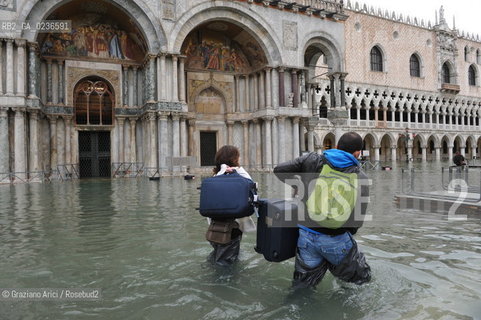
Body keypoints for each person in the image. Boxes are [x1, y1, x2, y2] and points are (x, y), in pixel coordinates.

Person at [273, 132, 371, 288]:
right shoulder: (361, 177)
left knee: (302, 288)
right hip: (336, 239)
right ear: (358, 153)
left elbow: (279, 170)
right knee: (361, 282)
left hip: (306, 236)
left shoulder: (312, 159)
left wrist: (297, 186)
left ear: (337, 146)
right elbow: (357, 221)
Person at [206, 145, 256, 266]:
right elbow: (252, 197)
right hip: (232, 229)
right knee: (226, 265)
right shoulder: (241, 176)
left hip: (213, 228)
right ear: (235, 159)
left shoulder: (215, 177)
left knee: (217, 257)